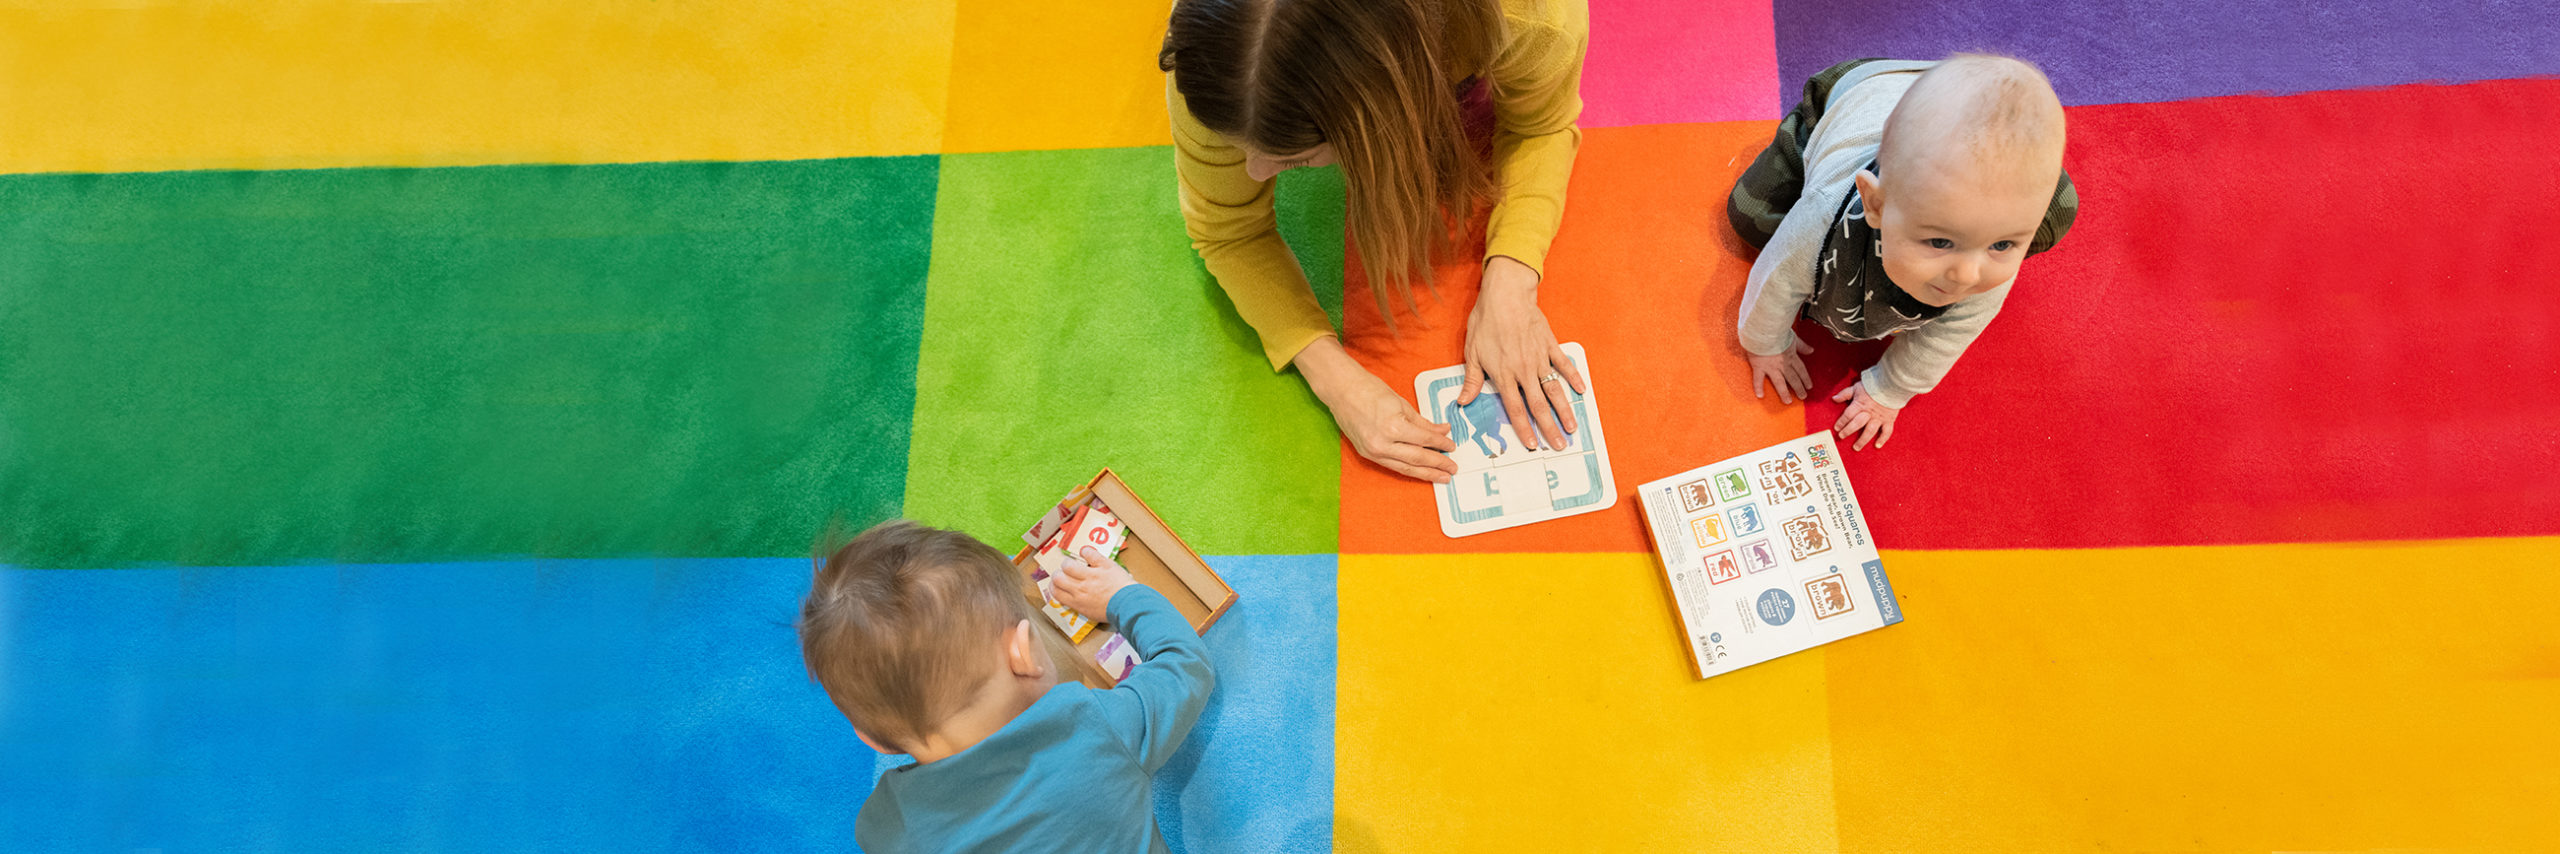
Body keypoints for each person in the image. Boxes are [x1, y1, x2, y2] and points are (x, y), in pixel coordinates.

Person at [1161, 0, 1590, 482]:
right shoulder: (1214, 55)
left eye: (1295, 160)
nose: (1255, 174)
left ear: (1388, 123)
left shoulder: (1532, 15)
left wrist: (1512, 280)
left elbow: (1542, 124)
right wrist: (1337, 382)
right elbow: (1226, 228)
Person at [1728, 54, 2079, 450]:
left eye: (2002, 244)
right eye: (1940, 242)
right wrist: (1765, 344)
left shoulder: (1978, 265)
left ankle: (1962, 104)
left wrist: (1889, 391)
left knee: (2059, 210)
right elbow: (1776, 277)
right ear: (1875, 205)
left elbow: (1951, 335)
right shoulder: (1825, 214)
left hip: (1948, 119)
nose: (1967, 275)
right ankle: (1927, 88)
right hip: (1855, 92)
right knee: (1749, 215)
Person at [798, 520, 1214, 853]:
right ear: (1025, 653)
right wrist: (1121, 595)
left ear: (873, 740)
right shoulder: (1098, 726)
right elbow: (1185, 664)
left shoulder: (886, 825)